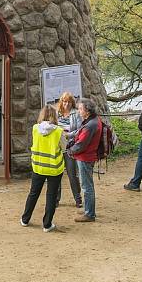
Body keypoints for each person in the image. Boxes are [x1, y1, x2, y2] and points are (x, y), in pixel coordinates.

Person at [20, 104, 65, 232]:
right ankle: (47, 224)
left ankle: (25, 219)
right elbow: (64, 147)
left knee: (33, 193)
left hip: (38, 166)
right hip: (54, 168)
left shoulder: (35, 129)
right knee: (51, 196)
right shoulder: (58, 131)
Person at [68, 98, 103, 223]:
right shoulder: (93, 120)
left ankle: (89, 214)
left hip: (85, 157)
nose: (78, 111)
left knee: (87, 186)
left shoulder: (90, 124)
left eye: (80, 109)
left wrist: (69, 150)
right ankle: (89, 210)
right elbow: (80, 135)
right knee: (88, 185)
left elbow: (81, 144)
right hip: (87, 156)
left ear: (87, 110)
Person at [55, 92, 83, 208]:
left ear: (72, 103)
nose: (66, 104)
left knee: (72, 174)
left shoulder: (76, 114)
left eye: (68, 102)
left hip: (69, 147)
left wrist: (68, 135)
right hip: (57, 147)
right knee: (57, 174)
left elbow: (80, 130)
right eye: (64, 101)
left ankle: (78, 199)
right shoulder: (57, 114)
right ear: (61, 102)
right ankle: (56, 199)